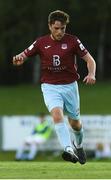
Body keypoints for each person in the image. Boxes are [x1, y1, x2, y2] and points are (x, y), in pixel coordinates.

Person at [12, 10, 96, 164]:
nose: (60, 32)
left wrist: (91, 74)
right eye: (56, 28)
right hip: (50, 87)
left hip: (70, 86)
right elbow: (23, 54)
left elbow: (90, 60)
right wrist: (19, 59)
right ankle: (68, 149)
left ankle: (79, 145)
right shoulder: (41, 42)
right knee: (57, 115)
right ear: (50, 26)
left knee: (75, 124)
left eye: (63, 28)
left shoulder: (73, 41)